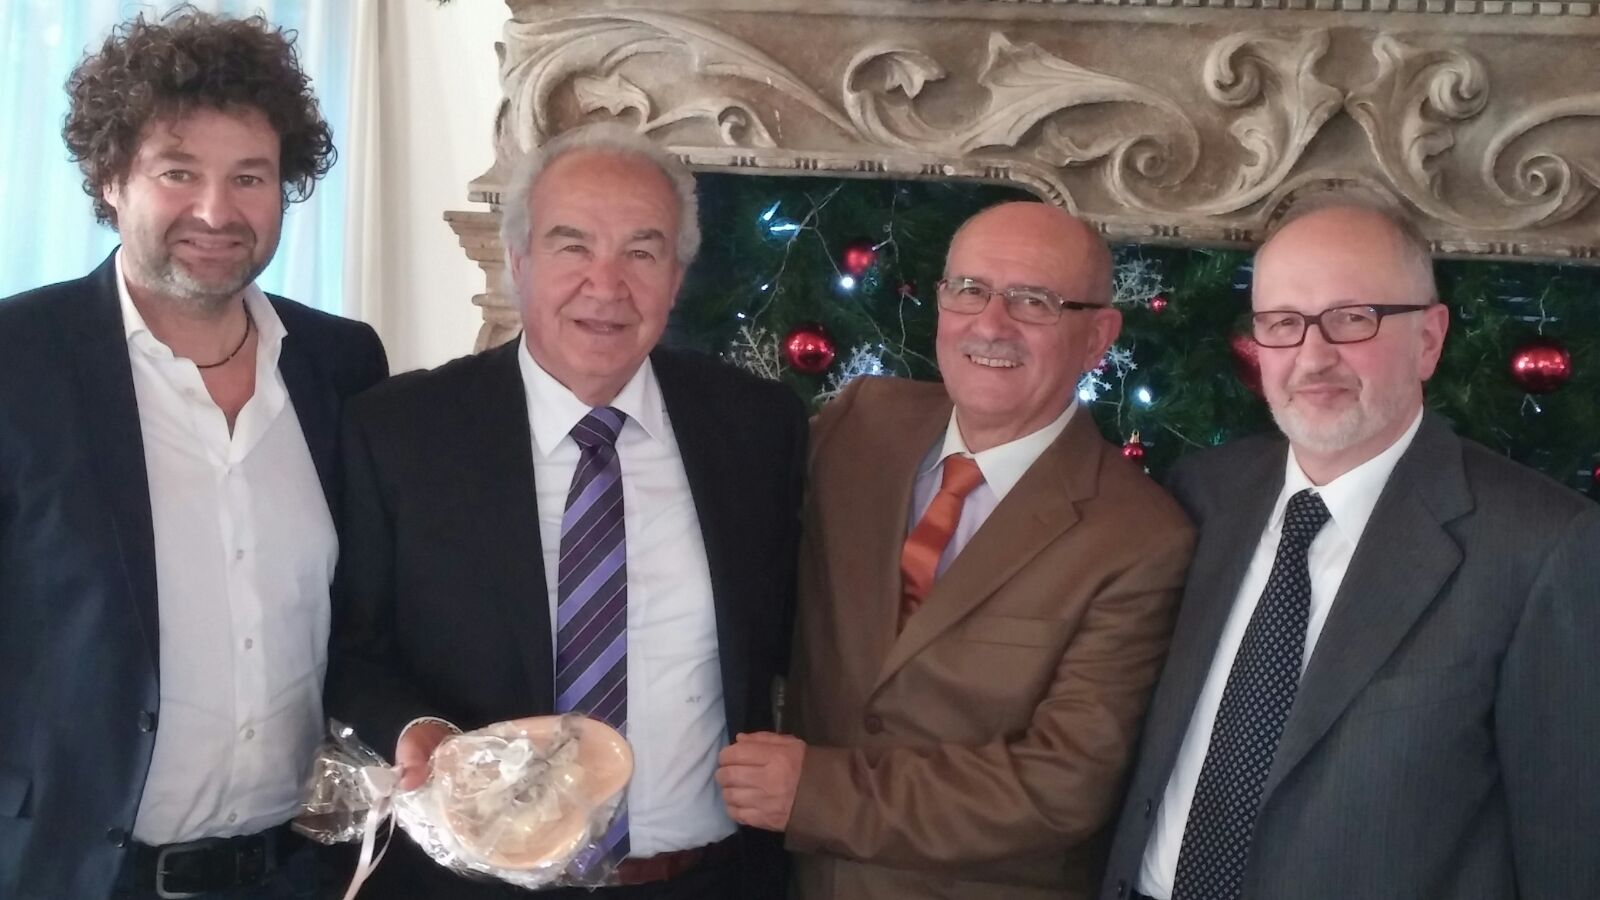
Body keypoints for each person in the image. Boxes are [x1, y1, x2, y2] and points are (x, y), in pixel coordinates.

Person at [324, 123, 806, 899]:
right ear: (517, 261)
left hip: (705, 879)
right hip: (474, 885)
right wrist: (418, 733)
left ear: (676, 277)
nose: (606, 285)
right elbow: (349, 650)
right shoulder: (401, 432)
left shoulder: (756, 426)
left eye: (642, 252)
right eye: (571, 245)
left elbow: (801, 639)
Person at [1099, 202, 1600, 900]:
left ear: (1429, 339)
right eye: (1283, 324)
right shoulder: (1203, 492)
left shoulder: (1542, 546)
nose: (1313, 357)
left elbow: (1568, 850)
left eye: (1353, 317)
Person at [0, 9, 388, 899]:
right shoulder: (17, 362)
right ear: (110, 178)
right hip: (73, 875)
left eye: (250, 176)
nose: (217, 211)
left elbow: (369, 615)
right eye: (178, 172)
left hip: (299, 873)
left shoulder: (342, 364)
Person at [716, 201, 1196, 899]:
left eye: (1034, 301)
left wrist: (818, 792)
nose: (991, 325)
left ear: (1098, 337)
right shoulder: (861, 423)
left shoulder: (1141, 537)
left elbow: (1061, 786)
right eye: (969, 290)